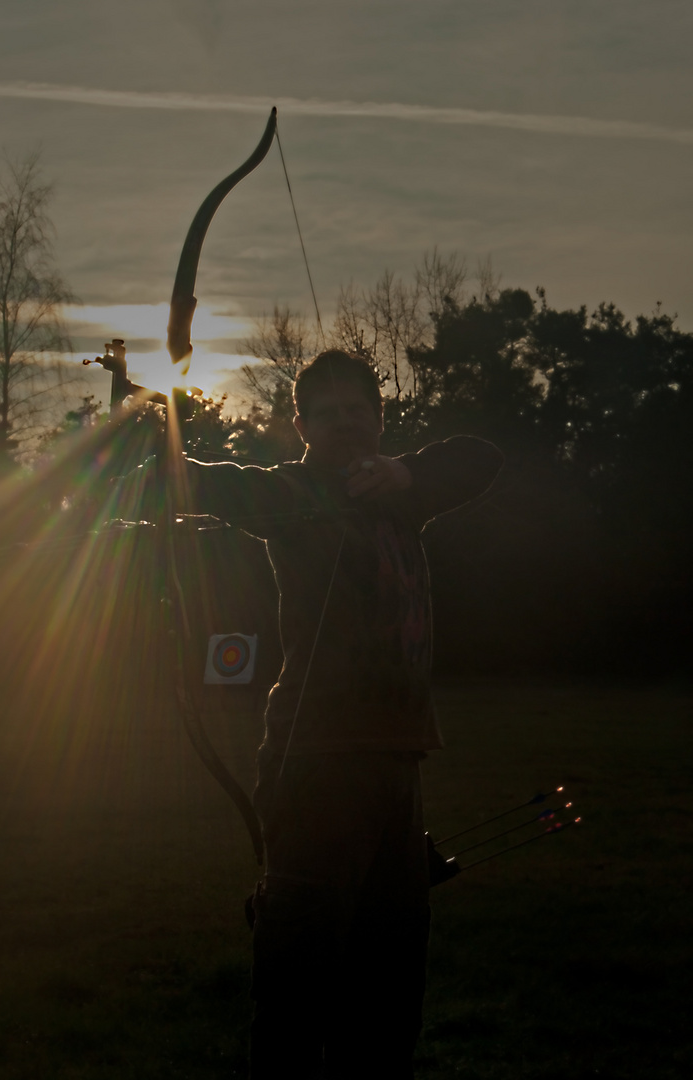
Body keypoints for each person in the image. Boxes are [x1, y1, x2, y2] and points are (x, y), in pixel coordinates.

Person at [185, 350, 503, 1080]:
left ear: (380, 418)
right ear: (299, 426)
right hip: (317, 764)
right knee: (298, 987)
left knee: (390, 984)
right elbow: (214, 486)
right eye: (325, 414)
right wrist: (149, 434)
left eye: (357, 409)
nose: (344, 424)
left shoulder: (404, 496)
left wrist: (406, 473)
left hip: (398, 765)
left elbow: (481, 456)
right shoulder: (295, 492)